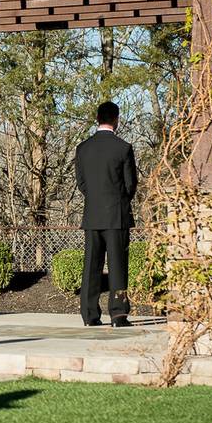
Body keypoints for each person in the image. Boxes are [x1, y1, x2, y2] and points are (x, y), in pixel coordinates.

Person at [75, 101, 138, 328]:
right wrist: (118, 201)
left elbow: (81, 183)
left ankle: (90, 315)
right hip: (116, 216)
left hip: (92, 214)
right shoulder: (123, 148)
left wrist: (95, 199)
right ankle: (118, 314)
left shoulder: (83, 148)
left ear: (97, 119)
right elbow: (130, 185)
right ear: (116, 119)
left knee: (91, 264)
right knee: (118, 265)